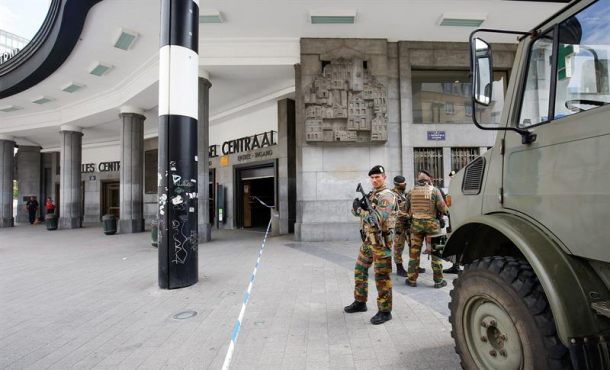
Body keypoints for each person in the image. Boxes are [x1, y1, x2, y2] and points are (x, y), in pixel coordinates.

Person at [345, 165, 398, 325]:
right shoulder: (371, 195)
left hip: (381, 243)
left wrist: (361, 211)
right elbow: (358, 213)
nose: (374, 180)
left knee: (382, 277)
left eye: (378, 177)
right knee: (359, 270)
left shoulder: (387, 196)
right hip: (369, 240)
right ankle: (360, 302)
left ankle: (385, 311)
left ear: (384, 177)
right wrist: (356, 207)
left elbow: (377, 218)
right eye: (372, 177)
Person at [405, 170, 449, 288]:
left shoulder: (411, 191)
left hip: (416, 226)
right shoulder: (435, 190)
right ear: (429, 179)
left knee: (414, 253)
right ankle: (438, 281)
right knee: (436, 253)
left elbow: (405, 209)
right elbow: (443, 207)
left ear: (418, 180)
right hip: (433, 226)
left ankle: (412, 280)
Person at [390, 176, 425, 277]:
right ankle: (399, 268)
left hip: (408, 224)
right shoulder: (392, 195)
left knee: (412, 244)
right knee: (398, 246)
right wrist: (408, 215)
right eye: (404, 184)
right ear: (398, 185)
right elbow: (394, 211)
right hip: (399, 225)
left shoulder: (404, 194)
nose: (405, 186)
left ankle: (415, 266)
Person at [443, 170, 460, 274]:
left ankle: (457, 266)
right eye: (451, 178)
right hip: (452, 219)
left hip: (459, 219)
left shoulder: (460, 188)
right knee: (454, 242)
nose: (452, 179)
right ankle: (455, 266)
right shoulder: (453, 188)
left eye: (453, 177)